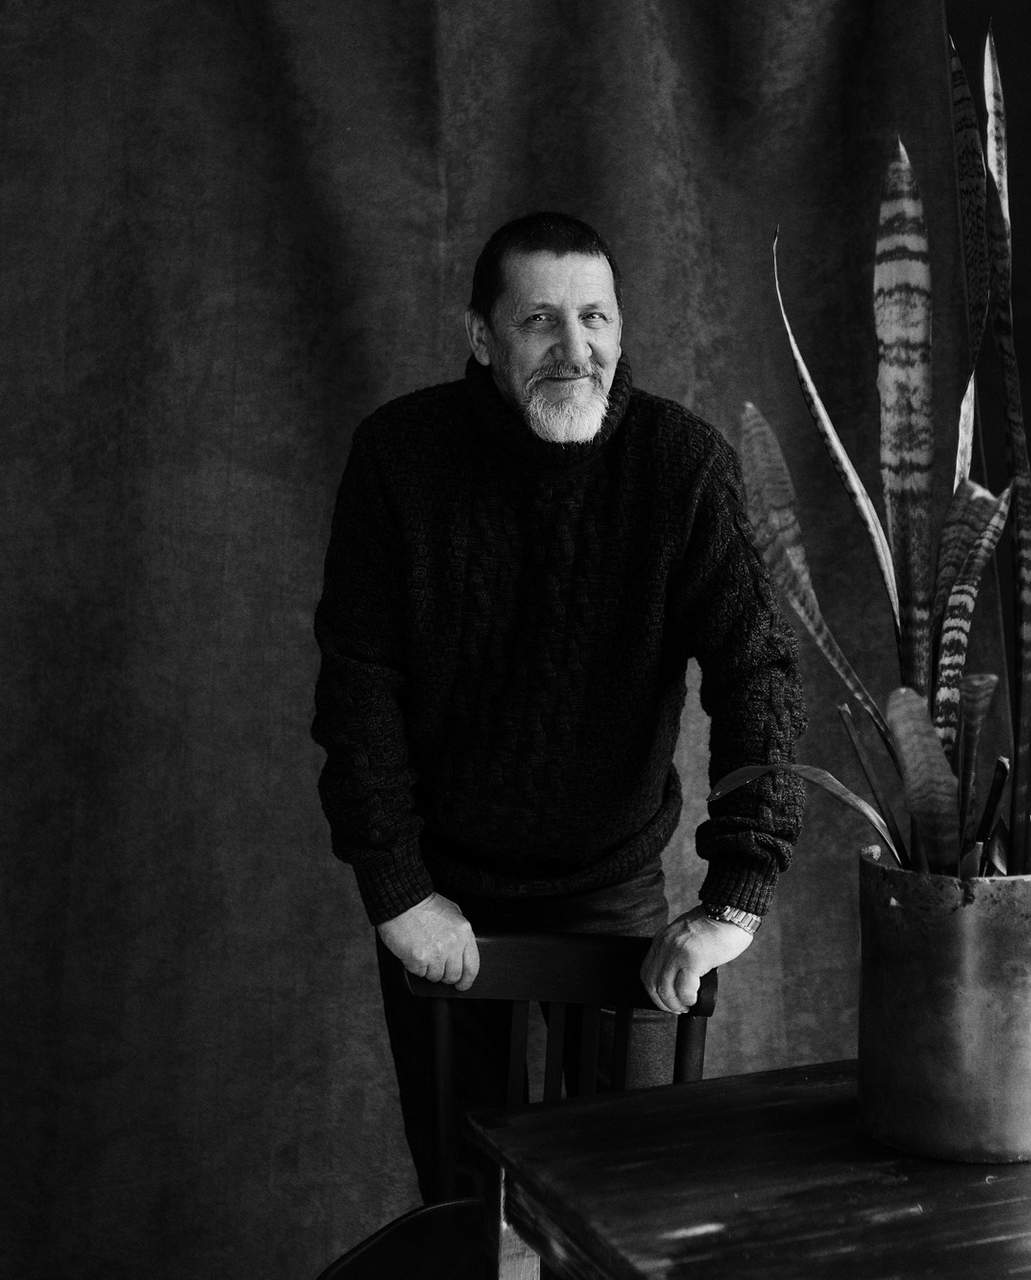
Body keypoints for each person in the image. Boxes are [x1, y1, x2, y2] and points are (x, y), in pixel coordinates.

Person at [311, 211, 806, 1200]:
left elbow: (757, 673)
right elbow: (358, 683)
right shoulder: (400, 458)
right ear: (482, 336)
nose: (575, 349)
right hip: (444, 887)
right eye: (541, 320)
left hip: (611, 879)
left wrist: (736, 897)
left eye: (596, 318)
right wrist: (398, 887)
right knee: (468, 1204)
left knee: (629, 1195)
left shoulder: (682, 466)